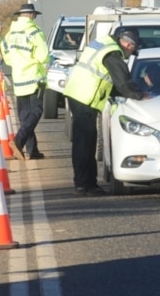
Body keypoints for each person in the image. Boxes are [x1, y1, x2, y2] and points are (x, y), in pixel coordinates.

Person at [63, 27, 148, 195]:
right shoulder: (112, 53)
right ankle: (84, 185)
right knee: (85, 143)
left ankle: (86, 183)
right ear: (127, 43)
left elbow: (112, 82)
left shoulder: (104, 43)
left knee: (85, 141)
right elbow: (123, 83)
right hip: (84, 97)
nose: (131, 54)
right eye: (133, 49)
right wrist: (140, 95)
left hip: (78, 93)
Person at [3, 2, 50, 160]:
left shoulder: (10, 34)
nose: (35, 18)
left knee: (25, 115)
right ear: (31, 15)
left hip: (18, 77)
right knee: (36, 111)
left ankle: (33, 150)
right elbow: (43, 56)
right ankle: (18, 140)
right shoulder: (34, 32)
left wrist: (17, 63)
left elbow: (7, 56)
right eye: (35, 15)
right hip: (34, 77)